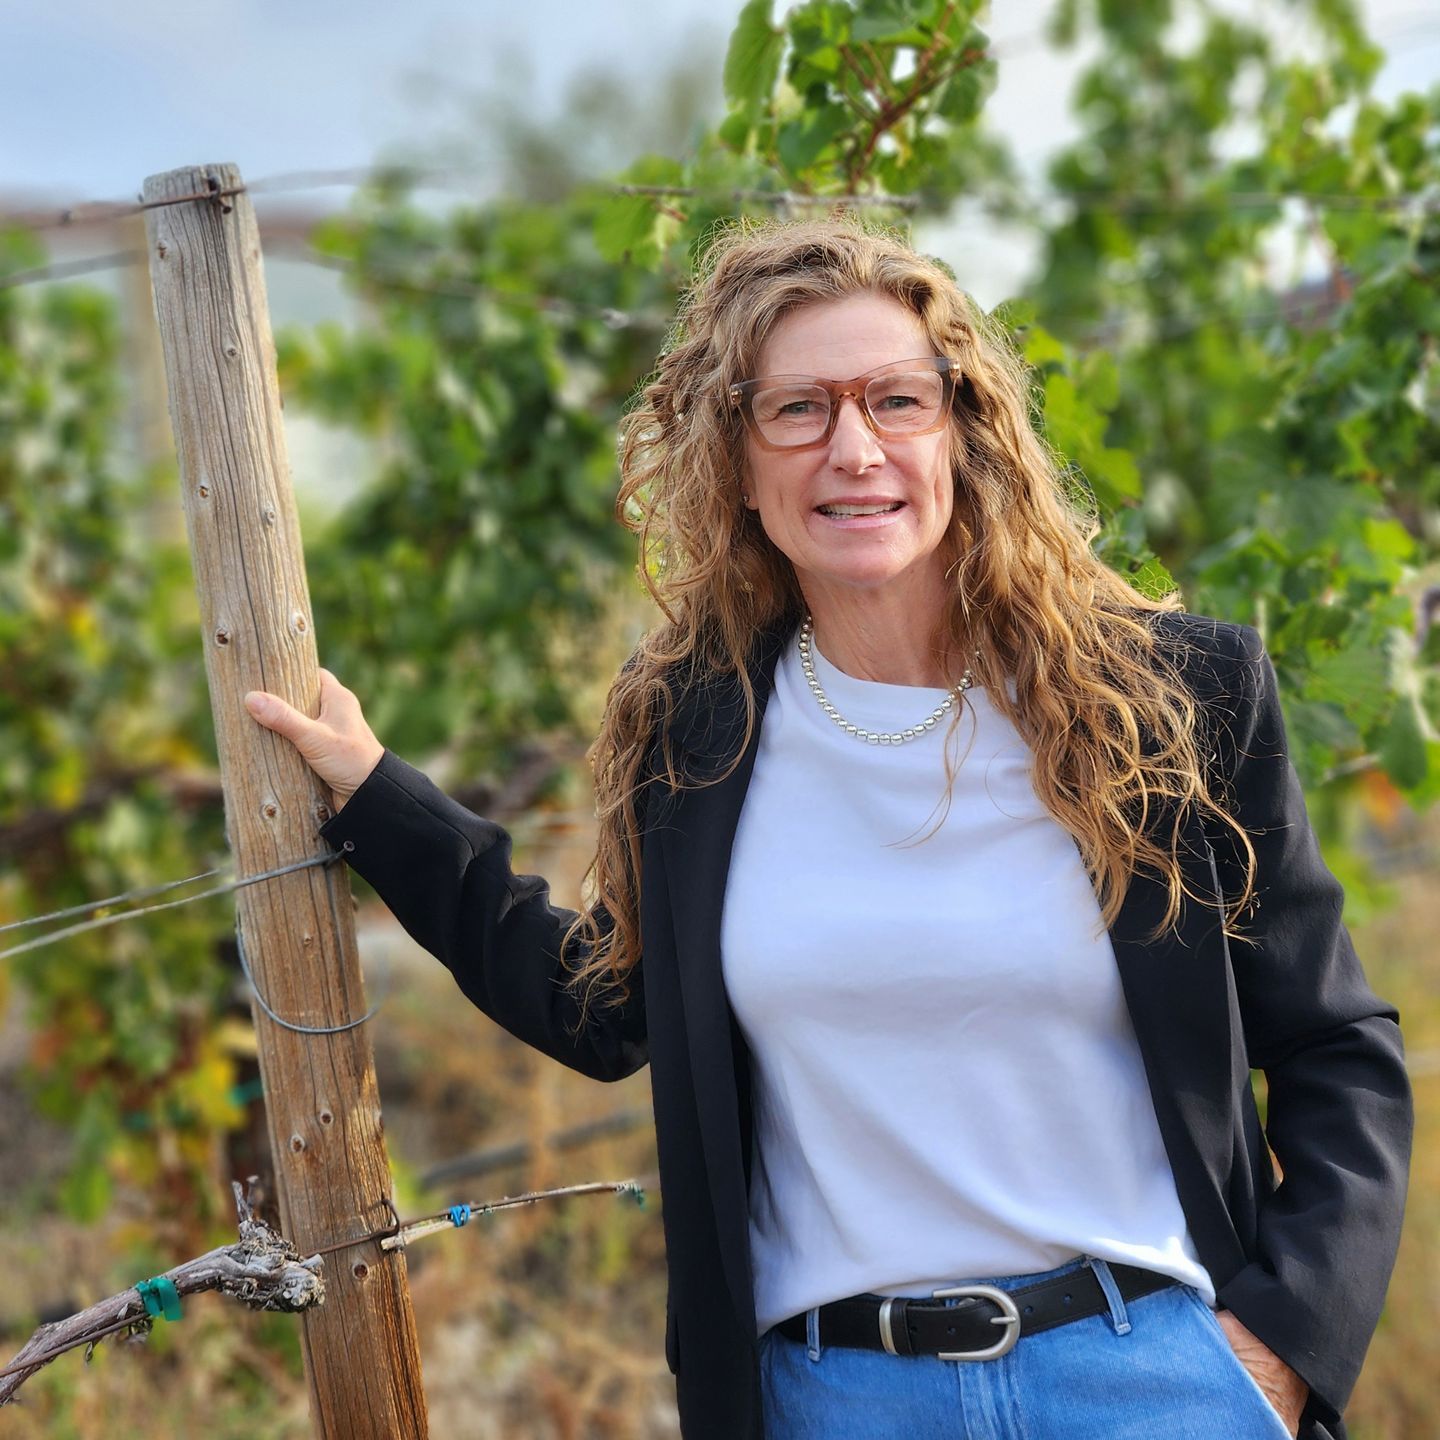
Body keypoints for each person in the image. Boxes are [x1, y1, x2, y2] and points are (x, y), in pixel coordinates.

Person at [242, 218, 1413, 1440]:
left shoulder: (1172, 702)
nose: (854, 448)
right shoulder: (696, 739)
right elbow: (602, 1008)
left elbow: (1338, 1049)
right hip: (838, 1400)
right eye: (796, 409)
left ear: (962, 426)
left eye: (896, 399)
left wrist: (1281, 1354)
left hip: (1154, 1385)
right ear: (736, 458)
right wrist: (379, 796)